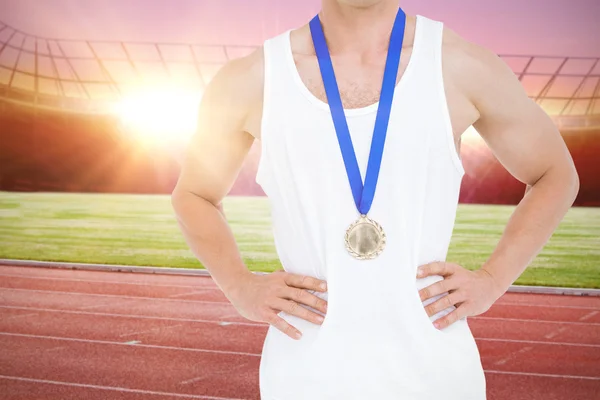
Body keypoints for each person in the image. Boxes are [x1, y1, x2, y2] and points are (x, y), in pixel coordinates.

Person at [171, 0, 579, 398]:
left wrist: (492, 281)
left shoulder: (460, 65)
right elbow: (193, 194)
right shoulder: (252, 78)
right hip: (304, 377)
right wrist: (240, 287)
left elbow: (555, 175)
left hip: (437, 375)